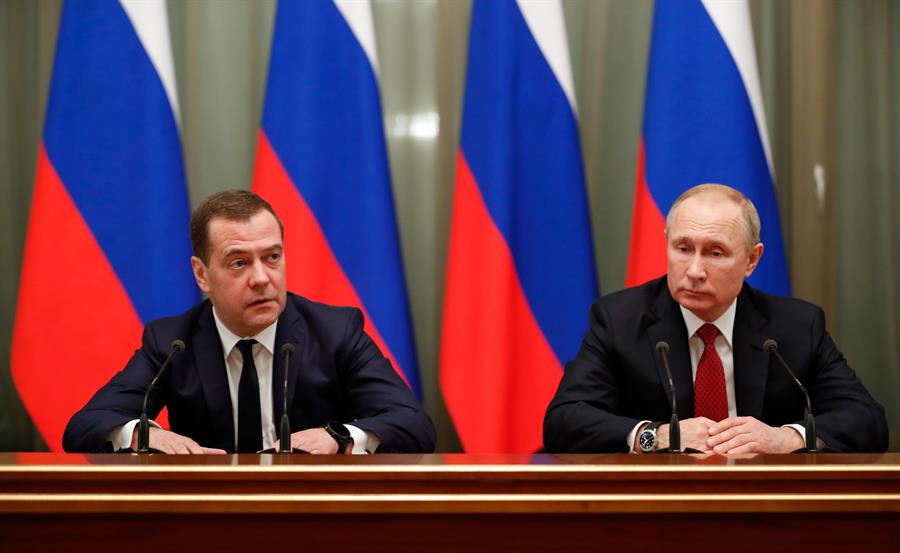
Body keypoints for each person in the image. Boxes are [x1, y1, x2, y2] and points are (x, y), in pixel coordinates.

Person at [64, 190, 435, 454]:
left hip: (314, 516)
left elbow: (414, 424)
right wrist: (142, 435)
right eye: (239, 263)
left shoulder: (335, 332)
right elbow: (85, 424)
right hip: (210, 518)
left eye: (272, 257)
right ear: (202, 274)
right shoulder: (173, 341)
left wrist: (340, 437)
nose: (261, 278)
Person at [543, 184, 888, 454]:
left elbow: (867, 420)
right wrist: (659, 435)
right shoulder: (620, 320)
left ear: (751, 260)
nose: (694, 271)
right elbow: (564, 421)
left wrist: (787, 438)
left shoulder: (796, 326)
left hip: (763, 504)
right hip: (656, 503)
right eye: (683, 248)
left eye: (715, 252)